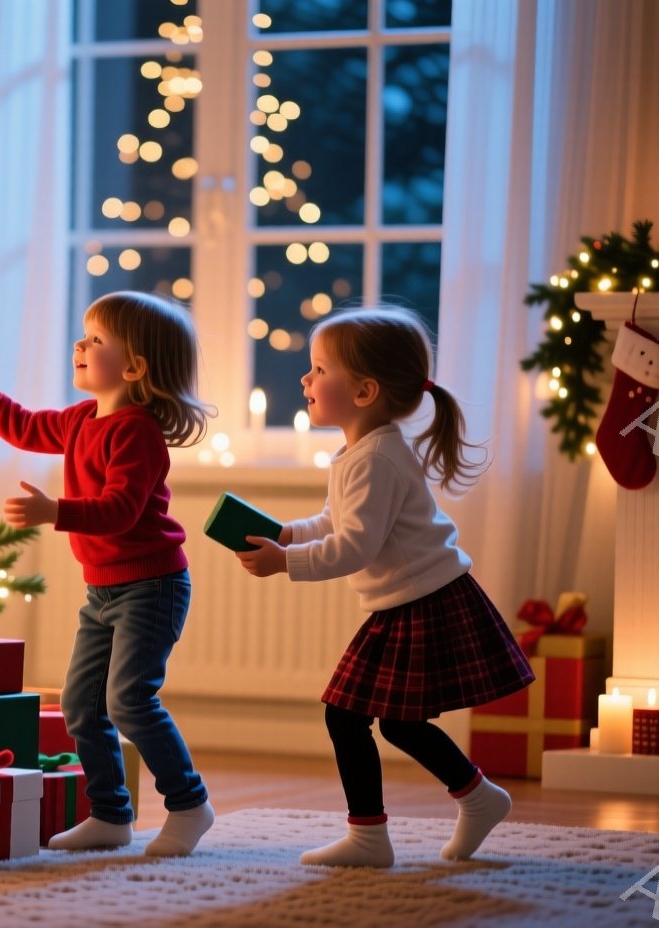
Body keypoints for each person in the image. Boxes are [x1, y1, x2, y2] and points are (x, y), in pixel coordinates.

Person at [236, 307, 534, 868]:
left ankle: (376, 836)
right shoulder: (360, 453)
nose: (306, 380)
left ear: (366, 390)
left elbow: (354, 548)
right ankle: (475, 797)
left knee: (348, 715)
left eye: (319, 369)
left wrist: (285, 563)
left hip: (423, 601)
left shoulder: (376, 459)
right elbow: (333, 522)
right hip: (414, 598)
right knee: (394, 720)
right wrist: (284, 534)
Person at [0, 291, 216, 857]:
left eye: (96, 340)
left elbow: (121, 509)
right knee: (79, 704)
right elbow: (23, 427)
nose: (80, 344)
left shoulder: (135, 432)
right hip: (104, 590)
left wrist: (55, 512)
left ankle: (189, 804)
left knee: (129, 701)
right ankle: (111, 815)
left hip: (153, 586)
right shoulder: (81, 420)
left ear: (135, 367)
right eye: (84, 334)